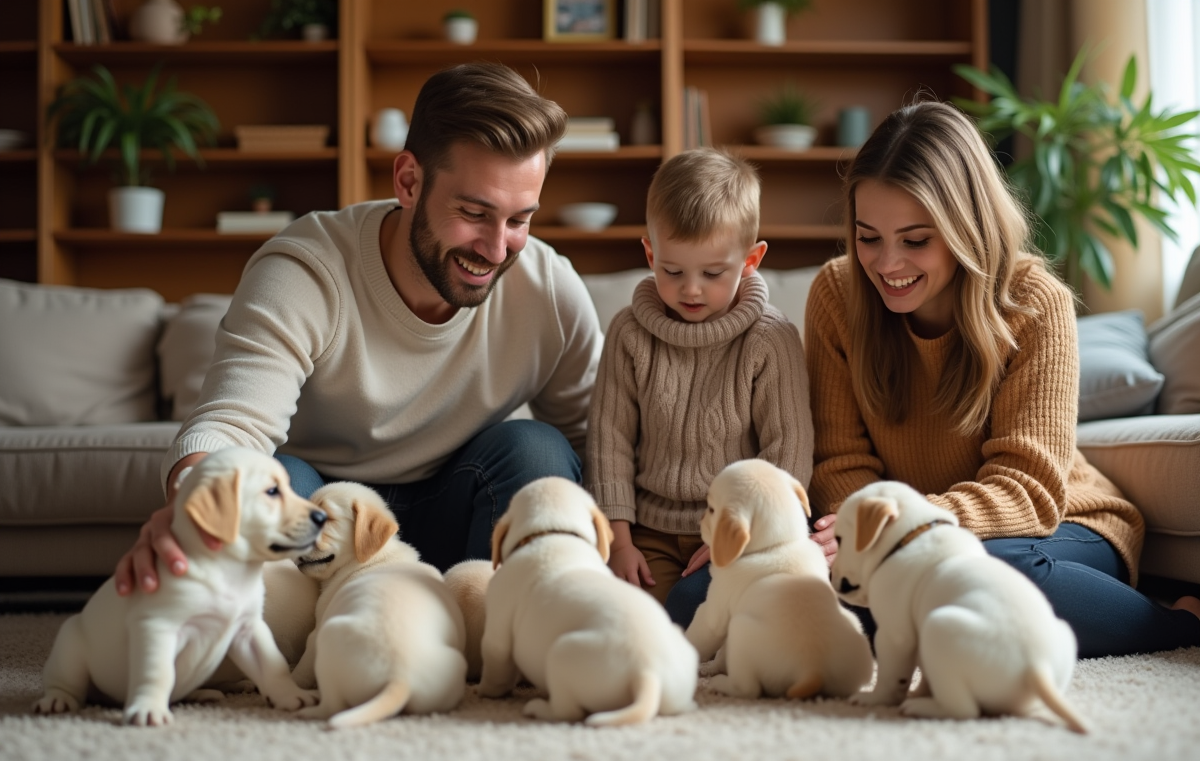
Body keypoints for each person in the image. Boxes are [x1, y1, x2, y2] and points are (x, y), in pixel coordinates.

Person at [114, 63, 603, 595]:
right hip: (324, 519)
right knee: (275, 481)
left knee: (538, 450)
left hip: (461, 514)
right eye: (473, 212)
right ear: (409, 181)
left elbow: (603, 439)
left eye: (519, 220)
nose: (495, 248)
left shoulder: (548, 289)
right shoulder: (305, 269)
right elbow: (232, 425)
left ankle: (497, 621)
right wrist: (194, 500)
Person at [805, 100, 1200, 657]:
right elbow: (840, 462)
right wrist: (867, 537)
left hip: (1053, 526)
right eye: (869, 237)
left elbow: (1029, 490)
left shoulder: (1036, 303)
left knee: (986, 570)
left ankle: (1180, 624)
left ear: (968, 226)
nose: (887, 264)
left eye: (916, 240)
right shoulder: (836, 295)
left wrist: (907, 529)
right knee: (759, 587)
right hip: (899, 532)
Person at [584, 148, 822, 628]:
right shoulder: (629, 334)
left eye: (713, 274)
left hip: (740, 531)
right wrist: (620, 540)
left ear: (752, 260)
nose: (691, 289)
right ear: (650, 253)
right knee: (629, 624)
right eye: (672, 271)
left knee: (703, 616)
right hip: (648, 531)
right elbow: (609, 440)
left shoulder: (770, 339)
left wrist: (738, 536)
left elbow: (789, 453)